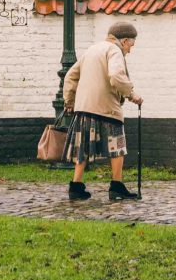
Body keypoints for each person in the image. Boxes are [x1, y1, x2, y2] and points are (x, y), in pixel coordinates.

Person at [61, 21, 143, 201]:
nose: (130, 49)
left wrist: (70, 101)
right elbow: (115, 76)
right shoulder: (114, 51)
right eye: (131, 44)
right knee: (117, 147)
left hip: (84, 109)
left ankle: (76, 186)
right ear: (124, 40)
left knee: (82, 148)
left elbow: (70, 77)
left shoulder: (92, 49)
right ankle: (117, 186)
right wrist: (131, 94)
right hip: (107, 108)